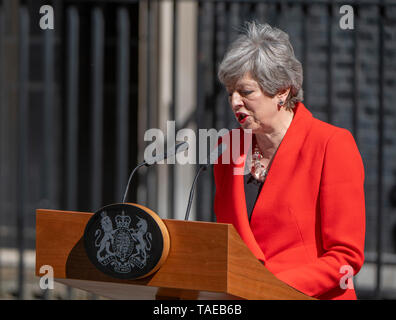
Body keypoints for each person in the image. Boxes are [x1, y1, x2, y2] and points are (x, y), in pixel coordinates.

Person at [213, 21, 365, 300]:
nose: (235, 102)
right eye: (230, 92)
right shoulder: (228, 149)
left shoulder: (331, 145)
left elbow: (345, 256)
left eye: (245, 92)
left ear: (282, 91)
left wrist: (269, 289)